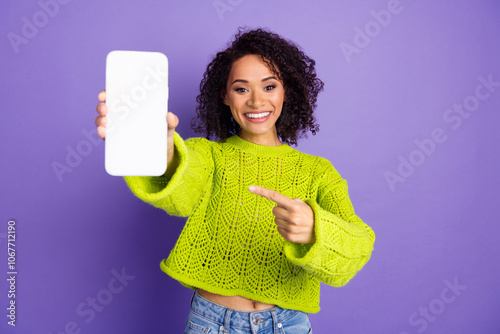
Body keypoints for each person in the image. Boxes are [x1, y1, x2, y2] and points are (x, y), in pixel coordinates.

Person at [95, 28, 375, 334]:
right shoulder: (209, 155)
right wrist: (162, 152)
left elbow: (358, 249)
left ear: (287, 91)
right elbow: (182, 185)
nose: (256, 101)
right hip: (212, 323)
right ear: (225, 96)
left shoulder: (318, 172)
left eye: (269, 87)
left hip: (287, 325)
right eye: (242, 89)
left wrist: (316, 230)